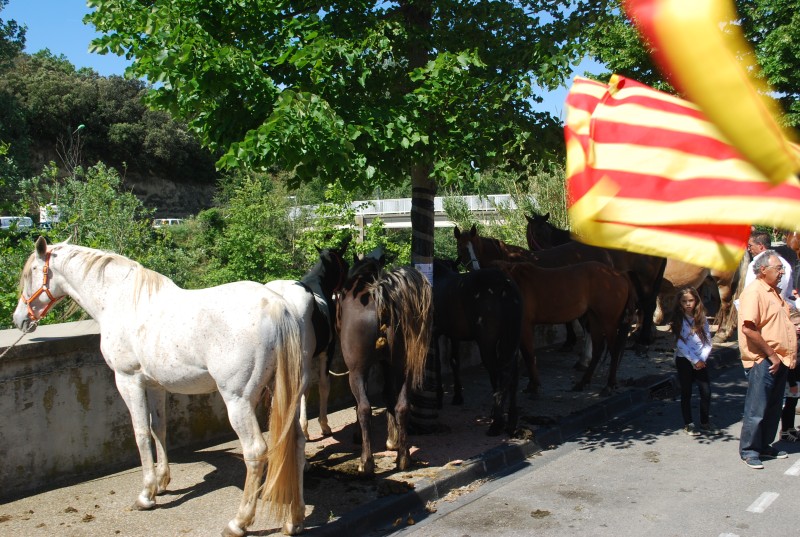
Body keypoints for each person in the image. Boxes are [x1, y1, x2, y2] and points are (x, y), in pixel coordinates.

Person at [738, 250, 798, 469]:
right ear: (763, 270)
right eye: (778, 268)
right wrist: (771, 355)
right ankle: (749, 450)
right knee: (757, 408)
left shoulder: (774, 292)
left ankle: (764, 445)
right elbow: (748, 328)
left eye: (782, 268)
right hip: (763, 359)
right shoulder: (754, 292)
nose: (782, 272)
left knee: (773, 406)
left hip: (780, 359)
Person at [669, 286, 717, 436]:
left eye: (691, 300)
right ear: (680, 303)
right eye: (684, 301)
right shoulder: (677, 319)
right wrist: (694, 360)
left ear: (696, 301)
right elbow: (680, 343)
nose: (688, 304)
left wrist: (702, 358)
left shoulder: (701, 318)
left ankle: (704, 421)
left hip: (700, 360)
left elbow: (708, 341)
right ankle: (688, 423)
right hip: (685, 360)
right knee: (686, 391)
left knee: (706, 391)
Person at [744, 231, 796, 309]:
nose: (748, 249)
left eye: (750, 246)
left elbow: (748, 291)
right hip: (785, 306)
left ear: (760, 246)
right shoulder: (785, 263)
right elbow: (789, 290)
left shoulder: (755, 264)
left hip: (763, 309)